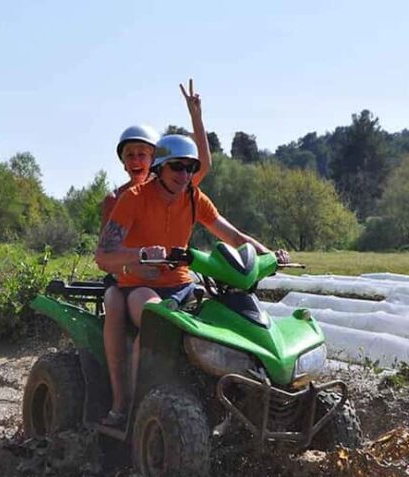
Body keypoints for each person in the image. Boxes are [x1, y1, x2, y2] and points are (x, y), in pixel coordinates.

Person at [95, 134, 290, 427]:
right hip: (139, 284)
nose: (184, 175)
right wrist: (142, 254)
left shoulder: (194, 198)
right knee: (155, 318)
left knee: (220, 322)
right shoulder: (133, 199)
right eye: (177, 167)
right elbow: (104, 255)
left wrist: (269, 255)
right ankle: (129, 407)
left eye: (190, 168)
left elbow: (234, 237)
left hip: (184, 285)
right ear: (160, 167)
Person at [98, 80, 211, 427]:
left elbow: (202, 163)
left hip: (171, 279)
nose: (137, 161)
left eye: (143, 154)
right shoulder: (119, 199)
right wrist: (136, 265)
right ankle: (122, 402)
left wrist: (196, 116)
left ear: (155, 159)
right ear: (122, 162)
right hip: (130, 279)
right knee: (115, 305)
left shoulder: (178, 190)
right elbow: (108, 251)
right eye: (130, 155)